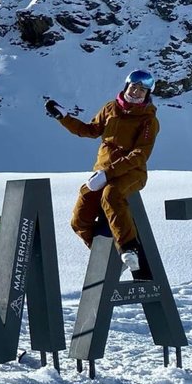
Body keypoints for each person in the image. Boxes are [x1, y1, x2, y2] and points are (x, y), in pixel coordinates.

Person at [45, 70, 159, 272]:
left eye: (142, 90)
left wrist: (108, 174)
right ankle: (105, 254)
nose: (136, 92)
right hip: (103, 172)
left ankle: (129, 248)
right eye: (134, 87)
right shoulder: (111, 108)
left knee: (111, 195)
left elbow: (140, 154)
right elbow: (90, 130)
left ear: (147, 94)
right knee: (81, 215)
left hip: (132, 173)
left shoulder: (148, 120)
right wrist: (64, 118)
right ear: (126, 86)